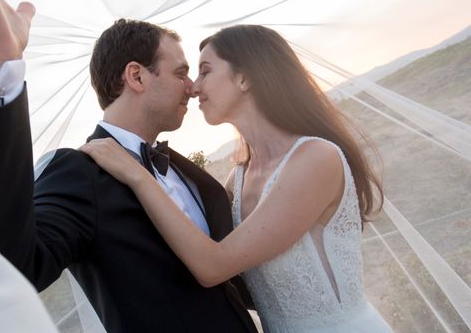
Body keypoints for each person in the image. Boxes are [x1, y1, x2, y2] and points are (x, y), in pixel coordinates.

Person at [0, 0, 260, 333]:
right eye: (180, 72)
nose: (191, 88)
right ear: (136, 77)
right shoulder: (77, 173)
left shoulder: (182, 168)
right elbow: (13, 267)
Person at [81, 25, 394, 333]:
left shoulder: (317, 159)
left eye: (205, 71)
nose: (193, 87)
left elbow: (214, 266)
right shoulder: (237, 180)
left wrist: (137, 174)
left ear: (244, 78)